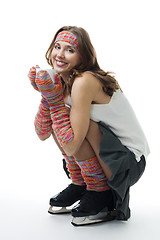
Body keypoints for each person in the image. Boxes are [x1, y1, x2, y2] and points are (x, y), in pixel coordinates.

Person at [28, 26, 150, 226]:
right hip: (107, 159)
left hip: (128, 164)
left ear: (83, 57)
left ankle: (99, 191)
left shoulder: (84, 81)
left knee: (82, 123)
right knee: (64, 118)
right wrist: (47, 97)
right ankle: (80, 183)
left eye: (70, 50)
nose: (60, 54)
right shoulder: (61, 79)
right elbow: (42, 133)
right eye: (57, 46)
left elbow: (71, 145)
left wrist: (55, 100)